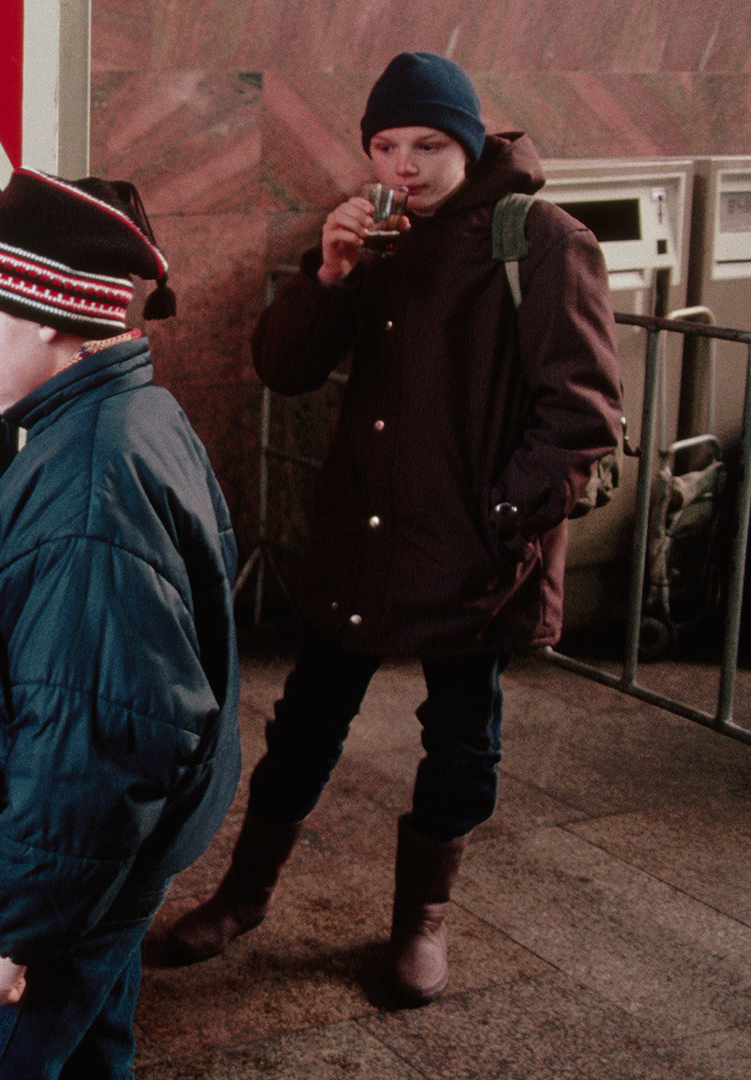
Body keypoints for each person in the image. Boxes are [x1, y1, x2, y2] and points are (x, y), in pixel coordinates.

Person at [160, 52, 623, 1007]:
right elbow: (282, 369)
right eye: (382, 143)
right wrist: (327, 276)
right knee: (306, 723)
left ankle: (422, 923)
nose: (401, 164)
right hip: (364, 536)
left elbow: (581, 417)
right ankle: (245, 895)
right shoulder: (373, 235)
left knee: (462, 738)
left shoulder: (539, 241)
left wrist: (501, 523)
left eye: (425, 143)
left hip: (477, 551)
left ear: (467, 140)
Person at [0, 170, 242, 1078]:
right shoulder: (136, 412)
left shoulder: (90, 488)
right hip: (107, 868)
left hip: (70, 884)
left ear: (50, 316)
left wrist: (12, 932)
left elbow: (99, 740)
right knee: (94, 1060)